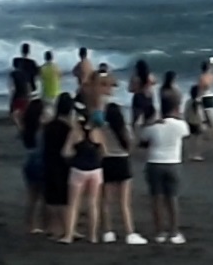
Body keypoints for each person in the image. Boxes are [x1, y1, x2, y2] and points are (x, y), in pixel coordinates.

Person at [138, 99, 191, 244]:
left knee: (157, 199)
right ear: (175, 109)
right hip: (173, 162)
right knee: (172, 198)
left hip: (154, 162)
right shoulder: (181, 125)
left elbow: (142, 141)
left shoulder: (153, 127)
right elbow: (186, 135)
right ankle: (174, 232)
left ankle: (160, 232)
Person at [100, 100, 147, 245]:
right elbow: (130, 145)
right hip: (122, 161)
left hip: (107, 161)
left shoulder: (103, 128)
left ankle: (108, 232)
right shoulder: (124, 128)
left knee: (107, 201)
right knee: (124, 202)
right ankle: (129, 233)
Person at [59, 115, 107, 244]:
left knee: (73, 204)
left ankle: (68, 235)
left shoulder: (75, 133)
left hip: (78, 170)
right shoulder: (98, 132)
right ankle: (92, 236)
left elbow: (66, 152)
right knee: (93, 203)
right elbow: (104, 152)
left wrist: (74, 155)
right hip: (95, 170)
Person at [42, 93, 75, 239]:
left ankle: (51, 228)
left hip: (48, 162)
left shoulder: (48, 126)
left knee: (51, 198)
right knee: (64, 199)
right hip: (63, 165)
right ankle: (66, 228)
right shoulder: (68, 128)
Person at [20, 98, 46, 234]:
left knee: (31, 197)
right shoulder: (42, 127)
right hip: (40, 162)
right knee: (43, 197)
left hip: (29, 161)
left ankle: (29, 224)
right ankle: (42, 224)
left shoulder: (27, 127)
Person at [9, 45, 37, 129]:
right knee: (26, 110)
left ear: (21, 51)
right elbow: (36, 74)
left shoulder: (16, 60)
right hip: (30, 88)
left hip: (18, 89)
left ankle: (21, 127)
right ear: (29, 51)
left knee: (15, 111)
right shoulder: (32, 63)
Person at [129, 60, 156, 131]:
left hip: (138, 97)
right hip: (148, 98)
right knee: (148, 119)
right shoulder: (150, 76)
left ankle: (133, 133)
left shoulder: (135, 77)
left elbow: (130, 89)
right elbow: (155, 82)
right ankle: (147, 133)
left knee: (134, 119)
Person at [198, 58, 213, 139]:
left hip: (205, 95)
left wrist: (198, 97)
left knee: (207, 115)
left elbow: (201, 88)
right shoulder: (212, 75)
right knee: (208, 115)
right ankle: (210, 132)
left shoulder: (202, 77)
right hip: (212, 94)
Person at [183, 85, 205, 162]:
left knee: (191, 139)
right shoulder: (199, 102)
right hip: (197, 122)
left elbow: (185, 112)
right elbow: (200, 113)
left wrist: (185, 120)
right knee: (198, 139)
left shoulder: (188, 101)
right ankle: (196, 154)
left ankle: (190, 154)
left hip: (189, 121)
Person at [39, 51, 60, 118]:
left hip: (46, 93)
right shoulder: (56, 67)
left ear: (45, 58)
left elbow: (40, 78)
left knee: (45, 111)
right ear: (52, 58)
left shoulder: (42, 68)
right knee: (55, 111)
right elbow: (60, 77)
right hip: (56, 92)